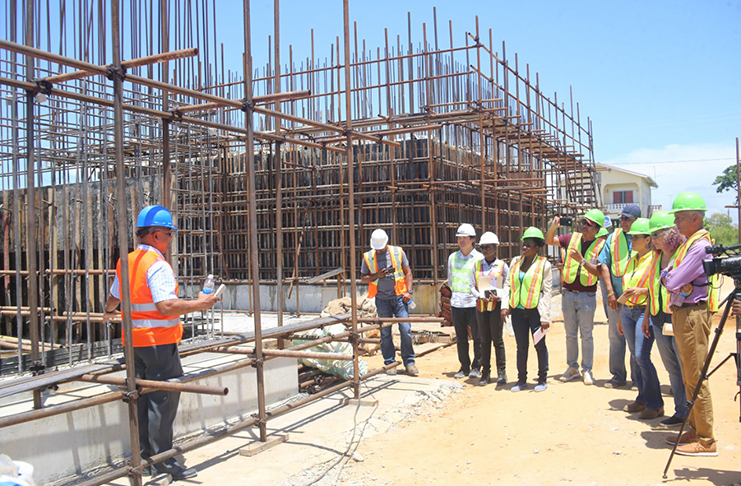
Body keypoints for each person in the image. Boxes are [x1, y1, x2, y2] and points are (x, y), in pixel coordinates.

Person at [103, 205, 219, 479]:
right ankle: (164, 463)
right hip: (159, 344)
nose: (170, 240)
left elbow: (114, 298)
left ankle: (145, 456)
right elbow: (166, 306)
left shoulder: (126, 261)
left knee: (141, 399)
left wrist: (108, 314)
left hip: (134, 344)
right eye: (169, 234)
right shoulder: (157, 265)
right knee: (162, 402)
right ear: (156, 235)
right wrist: (200, 303)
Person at [662, 192, 719, 456]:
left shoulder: (699, 246)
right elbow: (669, 273)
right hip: (683, 312)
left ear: (695, 219)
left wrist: (671, 277)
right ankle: (695, 429)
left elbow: (672, 280)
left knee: (697, 375)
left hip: (693, 314)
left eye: (680, 217)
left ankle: (706, 439)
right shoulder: (689, 243)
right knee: (688, 375)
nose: (676, 223)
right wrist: (670, 276)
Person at [546, 209, 617, 385]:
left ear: (596, 228)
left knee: (586, 334)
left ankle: (587, 369)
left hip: (587, 295)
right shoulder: (572, 238)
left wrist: (582, 261)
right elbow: (549, 240)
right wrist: (553, 227)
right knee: (570, 334)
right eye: (583, 223)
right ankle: (572, 368)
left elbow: (600, 272)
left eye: (588, 224)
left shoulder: (601, 246)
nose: (584, 227)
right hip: (568, 293)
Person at [618, 218, 664, 420]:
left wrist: (642, 290)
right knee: (636, 356)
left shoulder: (656, 259)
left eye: (635, 237)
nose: (632, 241)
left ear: (647, 240)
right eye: (630, 237)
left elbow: (660, 286)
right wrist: (621, 316)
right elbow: (625, 291)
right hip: (628, 311)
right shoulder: (632, 260)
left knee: (642, 356)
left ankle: (656, 404)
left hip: (645, 311)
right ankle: (643, 398)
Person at [646, 210, 689, 427]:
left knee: (685, 368)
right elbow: (651, 290)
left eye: (656, 235)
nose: (652, 240)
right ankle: (680, 411)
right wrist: (647, 317)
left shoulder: (682, 255)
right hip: (658, 319)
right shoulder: (655, 257)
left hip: (678, 319)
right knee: (672, 368)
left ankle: (691, 413)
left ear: (670, 233)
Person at [361, 229, 419, 376]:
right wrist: (377, 275)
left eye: (381, 248)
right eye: (377, 249)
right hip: (381, 299)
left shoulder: (398, 252)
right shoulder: (368, 257)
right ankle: (390, 363)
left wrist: (409, 292)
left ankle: (409, 362)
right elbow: (363, 279)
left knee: (405, 329)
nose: (379, 251)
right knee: (385, 332)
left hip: (399, 297)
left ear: (386, 243)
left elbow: (408, 273)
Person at [501, 227, 552, 392]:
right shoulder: (515, 261)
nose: (524, 248)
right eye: (523, 244)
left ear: (537, 248)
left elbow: (547, 292)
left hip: (535, 312)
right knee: (521, 346)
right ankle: (521, 379)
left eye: (528, 245)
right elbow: (508, 284)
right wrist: (504, 306)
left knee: (539, 345)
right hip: (517, 311)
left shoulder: (544, 265)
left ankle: (542, 379)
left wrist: (545, 317)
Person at [598, 205, 641, 388]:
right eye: (622, 218)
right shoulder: (613, 238)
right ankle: (617, 375)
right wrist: (610, 293)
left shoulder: (644, 237)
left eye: (627, 219)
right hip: (616, 297)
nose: (623, 222)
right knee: (616, 337)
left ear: (637, 220)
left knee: (635, 340)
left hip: (638, 299)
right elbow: (603, 264)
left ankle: (638, 379)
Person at [469, 231, 509, 385]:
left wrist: (499, 297)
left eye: (488, 247)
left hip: (496, 306)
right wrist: (479, 296)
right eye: (483, 247)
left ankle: (501, 372)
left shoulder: (502, 266)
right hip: (481, 307)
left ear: (495, 248)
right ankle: (485, 373)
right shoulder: (477, 265)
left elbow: (507, 285)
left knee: (497, 340)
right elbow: (472, 285)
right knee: (484, 340)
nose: (485, 250)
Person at [448, 223, 484, 379]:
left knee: (478, 337)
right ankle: (464, 367)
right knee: (461, 338)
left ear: (472, 239)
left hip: (474, 303)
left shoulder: (479, 258)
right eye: (459, 238)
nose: (461, 240)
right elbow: (450, 280)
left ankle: (477, 366)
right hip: (457, 303)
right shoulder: (452, 258)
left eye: (464, 237)